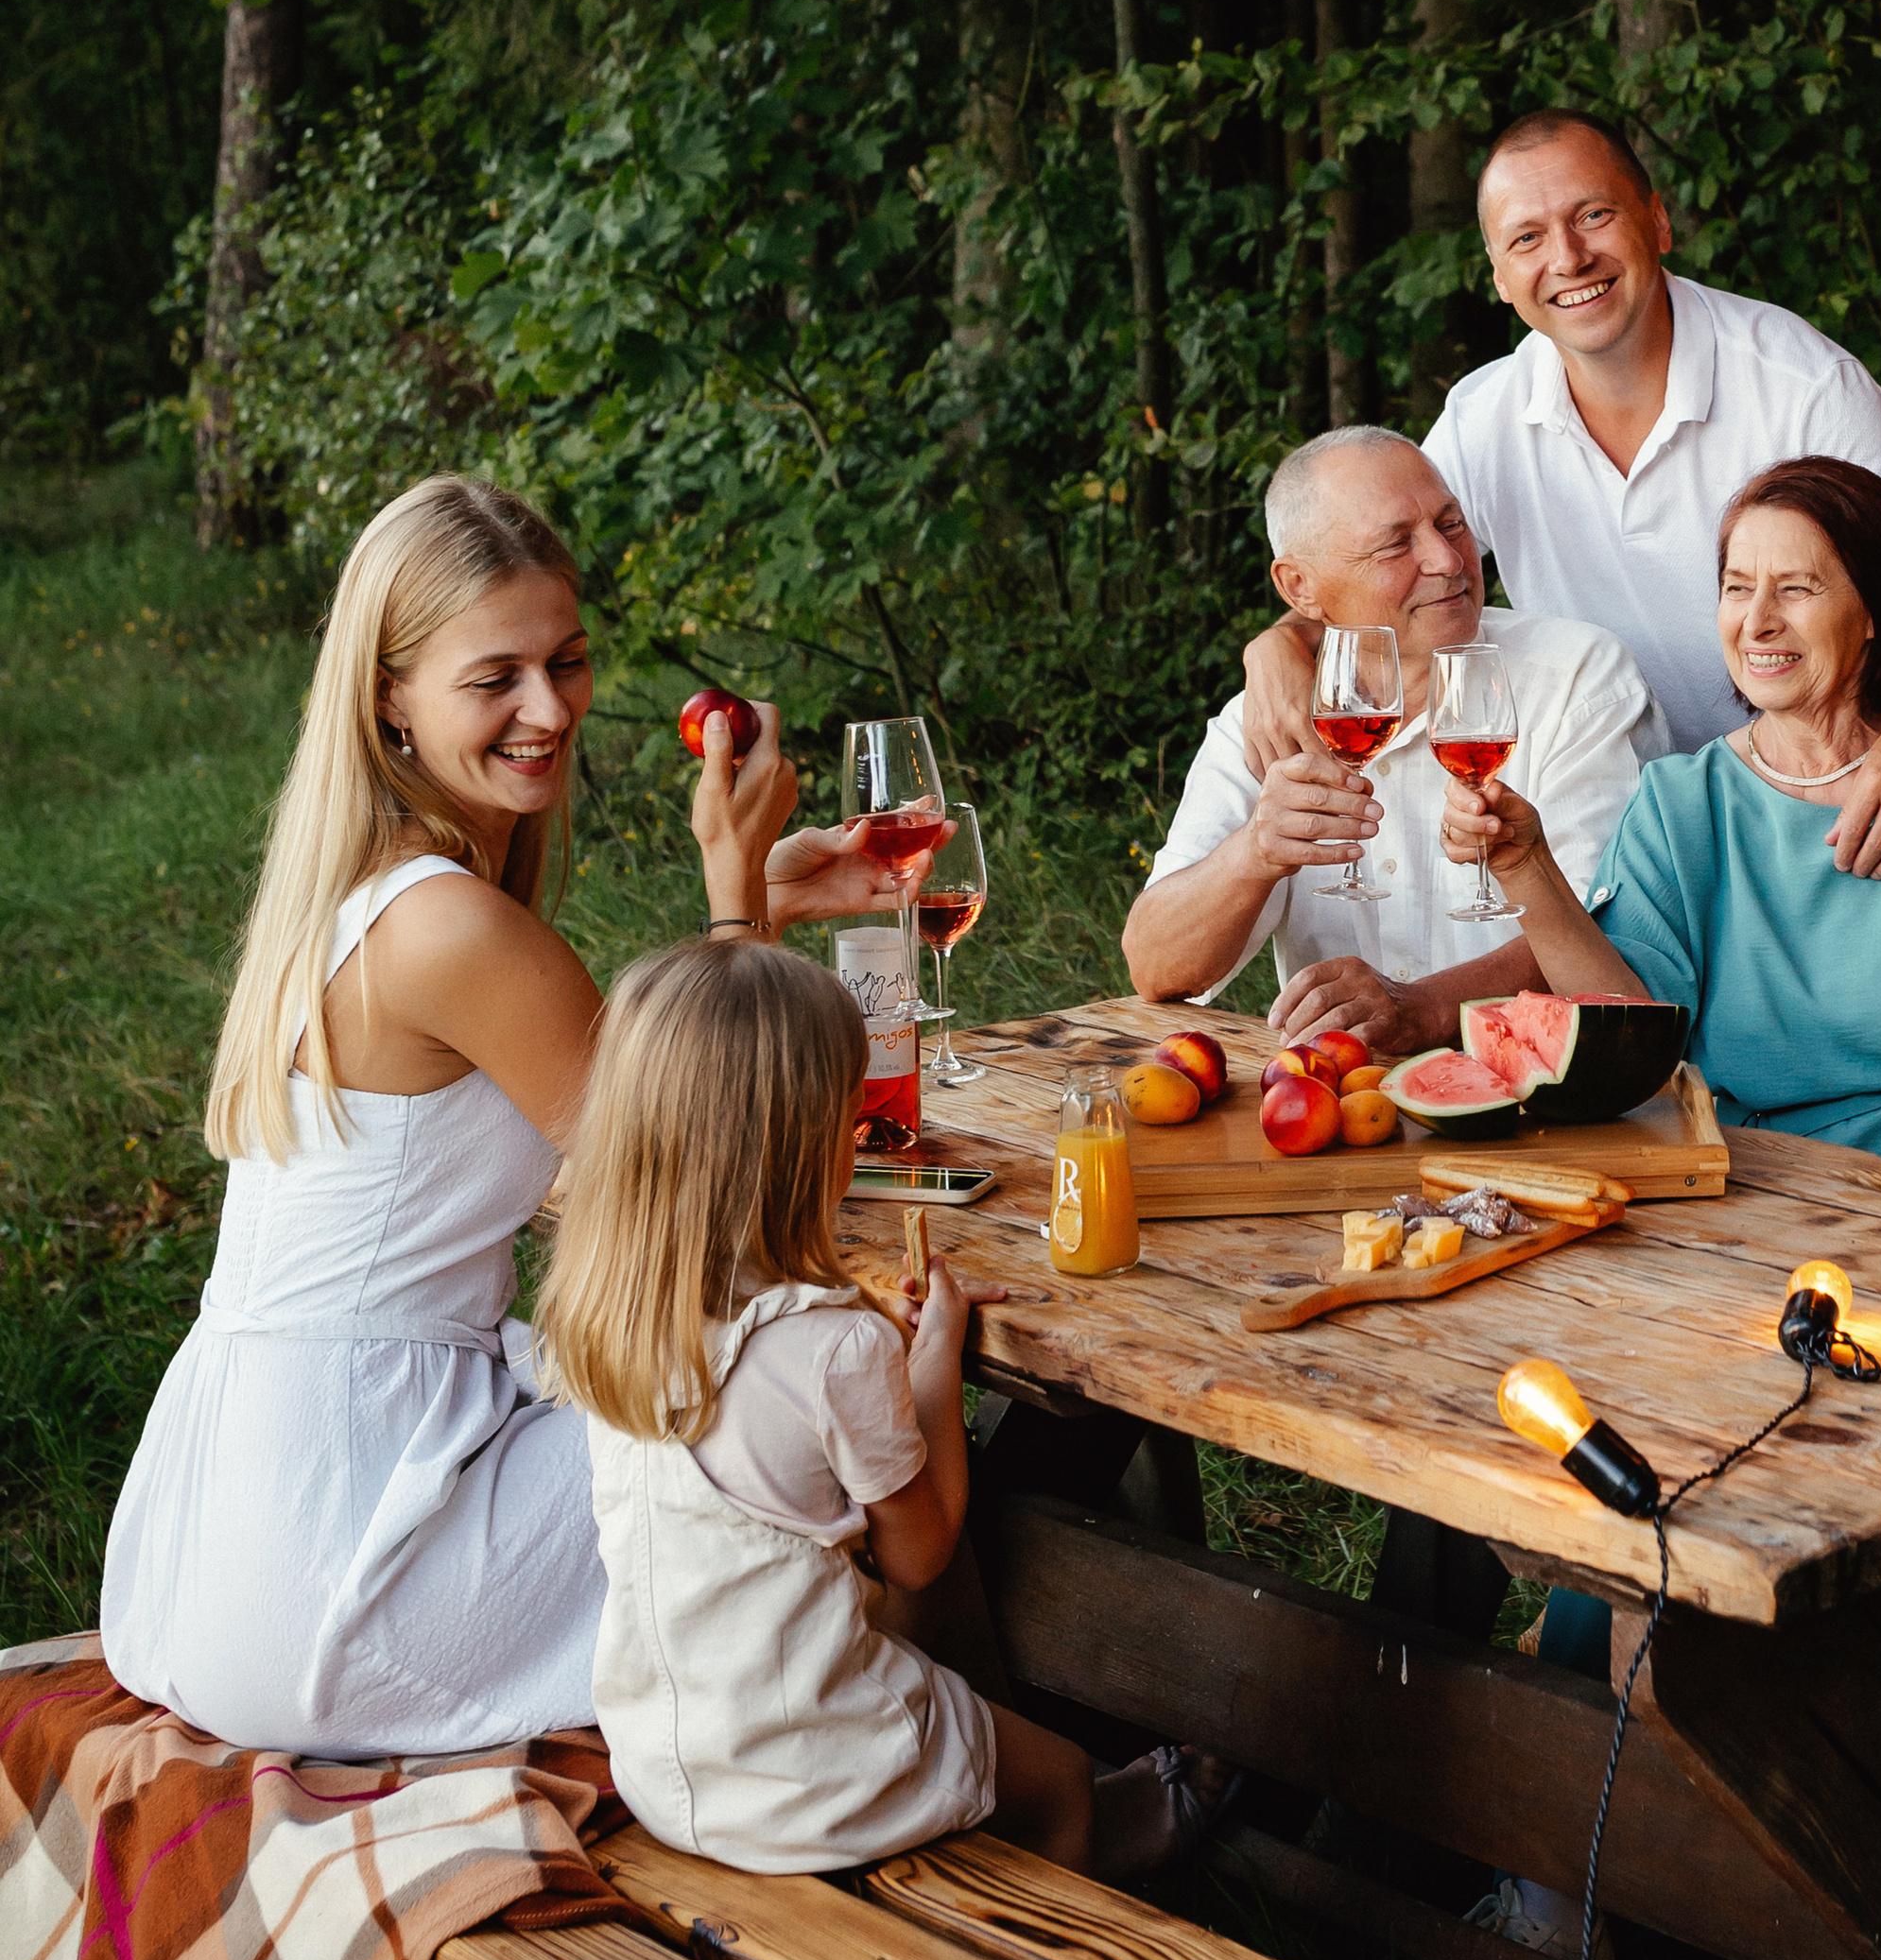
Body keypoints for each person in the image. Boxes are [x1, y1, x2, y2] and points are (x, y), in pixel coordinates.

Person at [99, 474, 914, 1757]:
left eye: (569, 661)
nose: (550, 710)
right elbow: (704, 1203)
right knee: (797, 1390)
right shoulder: (452, 923)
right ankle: (956, 1761)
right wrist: (732, 901)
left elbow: (612, 1097)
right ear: (389, 693)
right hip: (347, 1565)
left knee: (734, 1378)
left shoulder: (375, 884)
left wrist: (756, 897)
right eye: (497, 679)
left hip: (242, 1517)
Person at [543, 937, 1227, 1878]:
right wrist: (933, 1359)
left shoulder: (614, 1312)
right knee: (1060, 1772)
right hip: (804, 1775)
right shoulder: (834, 1345)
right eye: (847, 1113)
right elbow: (920, 1550)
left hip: (668, 1754)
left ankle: (976, 1811)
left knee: (943, 1692)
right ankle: (1064, 1908)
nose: (862, 1132)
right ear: (793, 1145)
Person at [1245, 109, 1881, 881]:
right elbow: (1383, 578)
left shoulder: (1804, 389)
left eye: (1594, 215)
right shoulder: (1485, 419)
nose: (1570, 258)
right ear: (1498, 275)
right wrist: (1279, 645)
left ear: (1657, 220)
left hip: (1819, 816)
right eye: (1528, 238)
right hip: (1609, 826)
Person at [1443, 456, 1881, 1198]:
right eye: (1737, 587)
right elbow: (1631, 1031)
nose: (1757, 619)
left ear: (1875, 616)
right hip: (1777, 1194)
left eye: (1795, 589)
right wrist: (1523, 865)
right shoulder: (1680, 801)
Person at [1124, 426, 1667, 1054]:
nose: (1446, 560)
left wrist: (1429, 1009)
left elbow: (1605, 934)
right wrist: (1254, 855)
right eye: (1394, 545)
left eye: (1452, 524)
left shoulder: (1576, 676)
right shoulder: (1270, 718)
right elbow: (1155, 966)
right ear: (1300, 588)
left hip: (1549, 1093)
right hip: (1345, 1103)